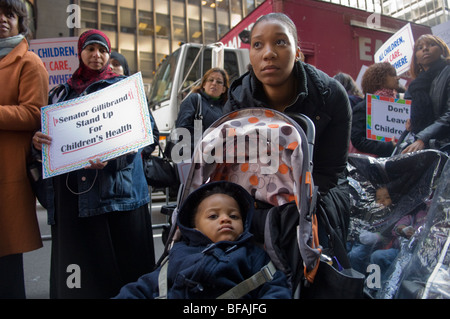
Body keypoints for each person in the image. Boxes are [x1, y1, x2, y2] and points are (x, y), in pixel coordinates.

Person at [31, 29, 155, 299]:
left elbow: (148, 137)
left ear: (109, 55)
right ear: (80, 53)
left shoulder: (126, 89)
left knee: (124, 277)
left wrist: (115, 157)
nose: (96, 55)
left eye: (102, 50)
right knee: (83, 281)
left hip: (117, 196)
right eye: (90, 49)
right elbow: (50, 144)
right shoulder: (60, 95)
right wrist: (38, 144)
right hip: (73, 202)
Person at [223, 13, 352, 249]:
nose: (268, 53)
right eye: (258, 45)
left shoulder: (331, 96)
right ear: (250, 55)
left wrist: (292, 206)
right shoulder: (236, 101)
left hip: (317, 194)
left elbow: (330, 171)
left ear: (298, 53)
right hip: (256, 199)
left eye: (280, 42)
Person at [114, 181, 291, 299]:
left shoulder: (253, 255)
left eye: (234, 216)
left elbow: (275, 288)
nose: (225, 219)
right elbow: (144, 286)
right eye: (213, 216)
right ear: (195, 227)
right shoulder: (180, 253)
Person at [0, 0, 49, 299]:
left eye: (9, 14)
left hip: (8, 173)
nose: (3, 20)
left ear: (20, 21)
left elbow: (35, 113)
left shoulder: (29, 61)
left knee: (6, 260)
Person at [401, 34, 450, 154]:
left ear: (442, 51)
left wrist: (423, 137)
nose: (425, 49)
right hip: (427, 144)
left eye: (431, 45)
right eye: (420, 47)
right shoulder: (416, 85)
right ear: (416, 59)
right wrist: (411, 119)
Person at [173, 67, 230, 158]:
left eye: (219, 82)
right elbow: (182, 128)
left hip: (215, 160)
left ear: (224, 89)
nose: (214, 83)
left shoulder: (226, 109)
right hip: (192, 158)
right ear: (204, 84)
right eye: (211, 80)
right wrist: (207, 144)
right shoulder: (194, 100)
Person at [350, 62, 400, 157]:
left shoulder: (399, 105)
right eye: (393, 75)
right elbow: (358, 140)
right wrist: (389, 146)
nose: (398, 78)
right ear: (380, 79)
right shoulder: (363, 107)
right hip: (374, 166)